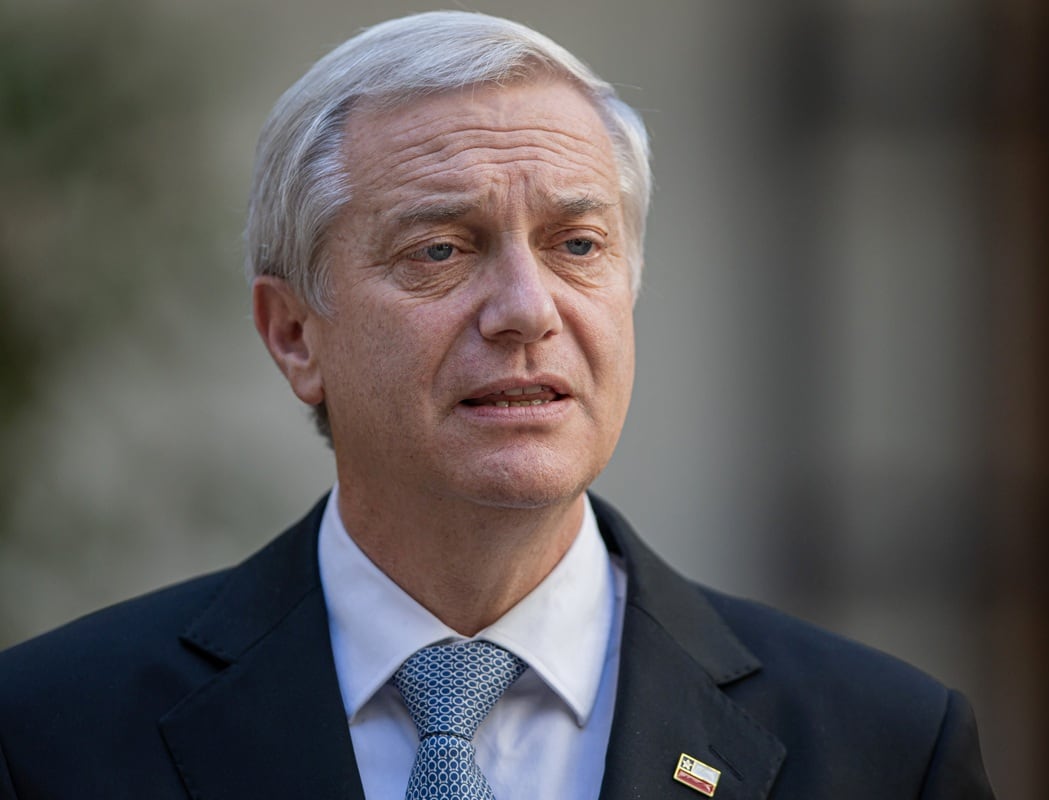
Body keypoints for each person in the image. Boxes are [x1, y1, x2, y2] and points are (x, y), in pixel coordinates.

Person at [0, 11, 994, 799]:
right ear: (296, 335)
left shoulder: (881, 746)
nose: (527, 310)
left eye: (576, 245)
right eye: (441, 248)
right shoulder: (50, 732)